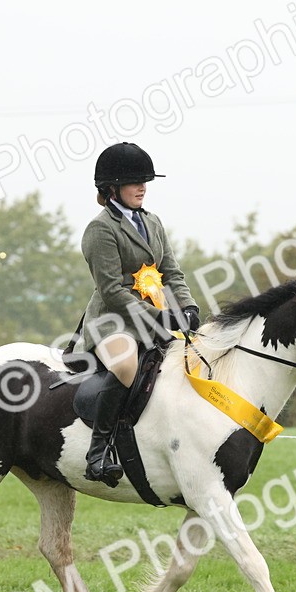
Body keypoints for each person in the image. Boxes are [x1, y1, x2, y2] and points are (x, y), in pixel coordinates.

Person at [74, 142, 200, 486]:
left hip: (154, 320)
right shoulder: (101, 230)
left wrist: (187, 307)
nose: (142, 188)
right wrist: (161, 319)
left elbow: (172, 273)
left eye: (144, 182)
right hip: (113, 322)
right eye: (134, 182)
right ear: (112, 189)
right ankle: (98, 451)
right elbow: (113, 291)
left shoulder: (152, 222)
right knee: (127, 366)